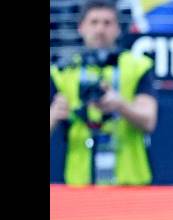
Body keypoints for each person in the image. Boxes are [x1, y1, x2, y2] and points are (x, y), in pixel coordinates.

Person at [50, 0, 159, 186]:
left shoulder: (137, 67)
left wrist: (120, 105)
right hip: (79, 184)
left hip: (129, 183)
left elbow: (149, 120)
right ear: (81, 27)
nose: (100, 30)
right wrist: (54, 115)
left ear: (118, 28)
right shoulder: (62, 72)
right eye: (94, 22)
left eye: (107, 23)